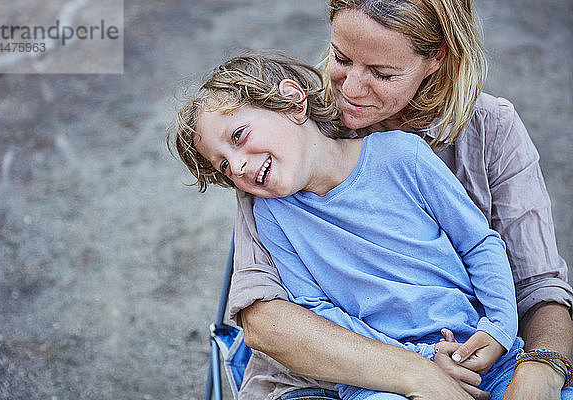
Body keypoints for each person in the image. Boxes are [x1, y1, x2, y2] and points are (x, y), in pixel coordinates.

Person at [218, 1, 573, 400]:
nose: (349, 90)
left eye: (382, 73)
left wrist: (542, 367)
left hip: (475, 355)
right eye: (341, 58)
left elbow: (540, 287)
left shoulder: (490, 129)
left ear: (436, 57)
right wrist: (418, 370)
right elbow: (267, 320)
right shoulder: (280, 140)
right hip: (319, 380)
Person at [171, 50, 531, 399]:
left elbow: (479, 244)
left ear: (294, 102)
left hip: (478, 351)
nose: (235, 167)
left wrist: (498, 327)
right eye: (222, 166)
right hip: (373, 380)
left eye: (238, 137)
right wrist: (417, 363)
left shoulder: (403, 156)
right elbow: (316, 310)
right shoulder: (271, 215)